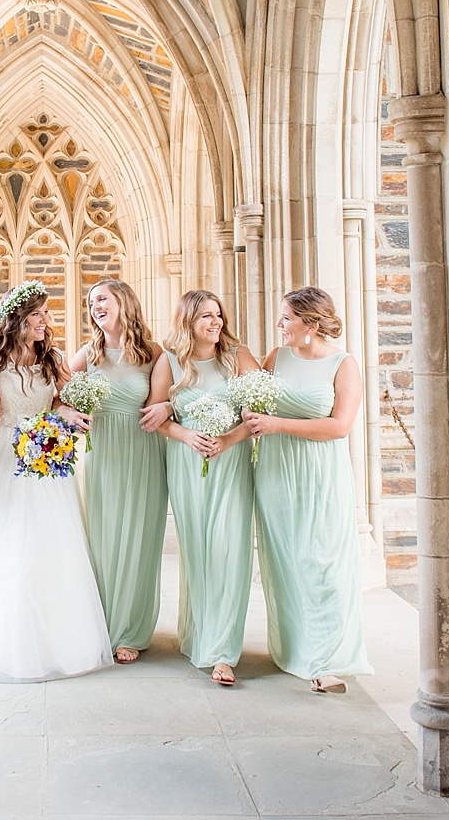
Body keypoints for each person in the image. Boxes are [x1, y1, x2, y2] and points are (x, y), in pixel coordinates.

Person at [0, 280, 113, 681]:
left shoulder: (53, 357)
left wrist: (65, 414)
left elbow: (64, 399)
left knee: (52, 540)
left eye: (46, 314)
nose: (46, 321)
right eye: (37, 315)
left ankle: (61, 640)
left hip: (47, 451)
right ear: (17, 319)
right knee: (10, 538)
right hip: (6, 453)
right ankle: (8, 641)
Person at [244, 287, 371, 693]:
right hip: (276, 472)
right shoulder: (275, 359)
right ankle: (296, 650)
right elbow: (252, 404)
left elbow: (340, 426)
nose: (279, 325)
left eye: (286, 318)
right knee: (287, 561)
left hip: (321, 474)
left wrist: (277, 424)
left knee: (324, 564)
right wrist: (250, 414)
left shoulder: (343, 363)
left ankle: (326, 660)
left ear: (310, 325)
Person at [147, 289, 260, 686]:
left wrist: (230, 438)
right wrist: (185, 434)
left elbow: (259, 413)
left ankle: (223, 653)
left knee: (229, 552)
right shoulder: (170, 362)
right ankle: (198, 634)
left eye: (218, 315)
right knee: (197, 552)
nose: (216, 323)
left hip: (230, 463)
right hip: (186, 463)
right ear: (188, 323)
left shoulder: (238, 358)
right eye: (206, 317)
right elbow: (156, 418)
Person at [70, 279, 169, 664]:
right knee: (103, 538)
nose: (95, 306)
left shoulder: (154, 354)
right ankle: (101, 623)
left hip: (141, 450)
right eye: (91, 301)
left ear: (124, 302)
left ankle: (130, 629)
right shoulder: (88, 354)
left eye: (102, 299)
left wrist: (169, 409)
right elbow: (57, 393)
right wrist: (70, 412)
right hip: (101, 454)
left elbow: (161, 406)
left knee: (138, 537)